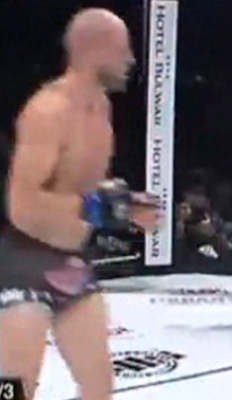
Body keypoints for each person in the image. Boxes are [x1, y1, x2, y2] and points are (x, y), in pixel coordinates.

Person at [0, 8, 159, 400]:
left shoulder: (101, 108)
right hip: (22, 263)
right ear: (94, 50)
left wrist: (125, 205)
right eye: (122, 50)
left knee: (98, 389)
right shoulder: (48, 111)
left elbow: (83, 190)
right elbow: (22, 205)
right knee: (14, 391)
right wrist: (99, 209)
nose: (130, 60)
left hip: (71, 262)